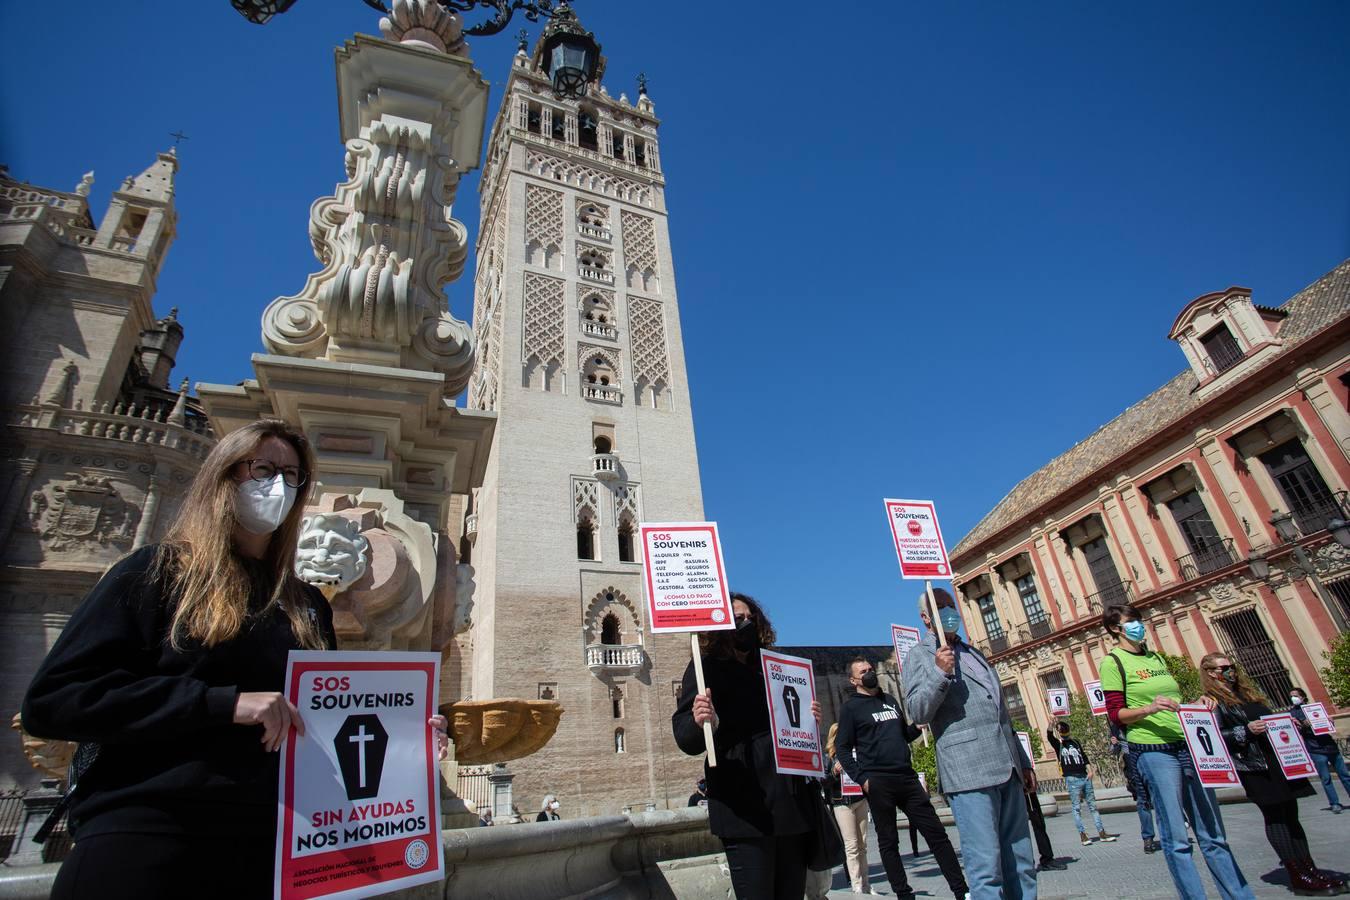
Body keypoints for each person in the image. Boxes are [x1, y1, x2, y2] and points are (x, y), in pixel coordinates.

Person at [20, 419, 450, 900]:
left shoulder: (305, 604)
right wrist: (223, 704)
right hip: (150, 833)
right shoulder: (155, 573)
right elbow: (55, 700)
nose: (279, 486)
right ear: (225, 475)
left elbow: (318, 724)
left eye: (293, 477)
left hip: (269, 846)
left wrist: (405, 745)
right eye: (264, 469)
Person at [671, 593, 823, 900]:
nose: (745, 623)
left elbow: (793, 726)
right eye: (737, 618)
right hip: (743, 804)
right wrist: (703, 721)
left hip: (789, 802)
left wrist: (809, 720)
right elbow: (686, 738)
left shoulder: (774, 667)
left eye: (750, 618)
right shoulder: (706, 667)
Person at [1098, 604, 1253, 900]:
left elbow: (1174, 701)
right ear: (1115, 629)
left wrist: (1199, 703)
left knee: (1213, 835)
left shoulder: (1156, 657)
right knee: (1177, 839)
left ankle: (1240, 896)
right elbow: (1116, 715)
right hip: (1153, 751)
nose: (1139, 626)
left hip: (1187, 744)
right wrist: (1149, 708)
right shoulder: (1112, 663)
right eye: (1132, 622)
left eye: (1140, 620)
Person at [904, 588, 1036, 900]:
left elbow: (1000, 712)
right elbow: (918, 711)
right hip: (967, 771)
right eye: (940, 608)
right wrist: (940, 673)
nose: (949, 611)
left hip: (1008, 768)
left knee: (1021, 863)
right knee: (986, 868)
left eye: (951, 605)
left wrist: (1024, 761)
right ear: (926, 619)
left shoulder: (975, 653)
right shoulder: (920, 656)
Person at [1201, 656, 1346, 896]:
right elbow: (1214, 736)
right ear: (1211, 672)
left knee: (1292, 816)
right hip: (1255, 766)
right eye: (1224, 668)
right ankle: (1297, 876)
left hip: (1280, 760)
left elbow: (1271, 719)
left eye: (1232, 667)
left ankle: (1310, 870)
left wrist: (1292, 724)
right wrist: (1245, 730)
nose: (1231, 672)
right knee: (1276, 817)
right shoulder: (1214, 703)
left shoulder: (1248, 694)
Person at [836, 657, 967, 899]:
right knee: (889, 842)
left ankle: (961, 890)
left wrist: (916, 728)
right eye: (863, 672)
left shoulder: (889, 700)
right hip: (878, 781)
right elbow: (842, 748)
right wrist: (862, 779)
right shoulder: (850, 709)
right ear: (853, 680)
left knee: (936, 833)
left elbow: (902, 735)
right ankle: (903, 893)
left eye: (870, 669)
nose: (869, 673)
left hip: (906, 776)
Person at [1045, 721, 1118, 845]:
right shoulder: (1059, 745)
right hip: (1072, 778)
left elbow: (1083, 756)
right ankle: (1083, 835)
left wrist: (1089, 770)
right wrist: (1052, 723)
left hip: (1084, 776)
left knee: (1092, 806)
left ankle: (1102, 833)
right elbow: (1049, 736)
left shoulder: (1076, 742)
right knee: (1076, 808)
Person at [823, 722, 871, 894]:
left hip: (859, 799)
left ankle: (866, 884)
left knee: (862, 844)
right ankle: (856, 885)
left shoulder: (854, 753)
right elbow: (824, 782)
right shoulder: (828, 758)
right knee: (851, 846)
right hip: (841, 803)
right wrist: (834, 772)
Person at [1289, 687, 1350, 814]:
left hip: (1330, 747)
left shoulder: (1315, 708)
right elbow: (1295, 731)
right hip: (1315, 749)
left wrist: (1330, 723)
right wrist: (1303, 726)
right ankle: (1334, 803)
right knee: (1326, 778)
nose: (1293, 698)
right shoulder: (1293, 713)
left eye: (1295, 695)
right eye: (1291, 696)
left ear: (1302, 697)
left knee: (1345, 776)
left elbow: (1327, 727)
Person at [1112, 721, 1161, 853]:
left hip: (1151, 761)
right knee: (1142, 802)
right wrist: (1115, 744)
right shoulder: (1116, 727)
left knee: (1159, 801)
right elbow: (1114, 751)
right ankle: (1148, 839)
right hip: (1133, 769)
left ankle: (1169, 834)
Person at [1024, 789, 1066, 871]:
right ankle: (1044, 859)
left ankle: (1046, 859)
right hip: (1018, 785)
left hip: (1025, 787)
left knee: (1038, 822)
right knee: (1035, 822)